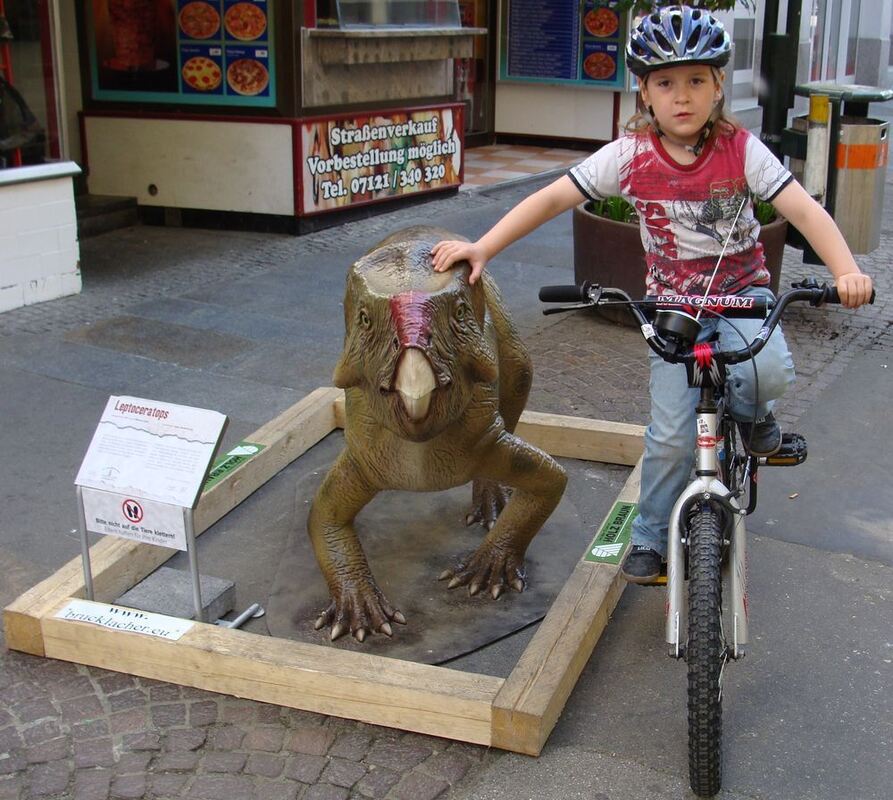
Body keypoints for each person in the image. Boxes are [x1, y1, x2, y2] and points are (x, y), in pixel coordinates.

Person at [431, 5, 874, 584]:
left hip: (741, 294)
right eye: (665, 83)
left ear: (718, 86)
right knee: (669, 436)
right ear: (644, 92)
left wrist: (846, 270)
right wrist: (483, 246)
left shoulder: (741, 150)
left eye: (696, 80)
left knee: (765, 374)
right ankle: (649, 537)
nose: (681, 96)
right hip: (674, 309)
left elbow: (805, 211)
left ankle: (755, 417)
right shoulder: (631, 156)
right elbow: (552, 197)